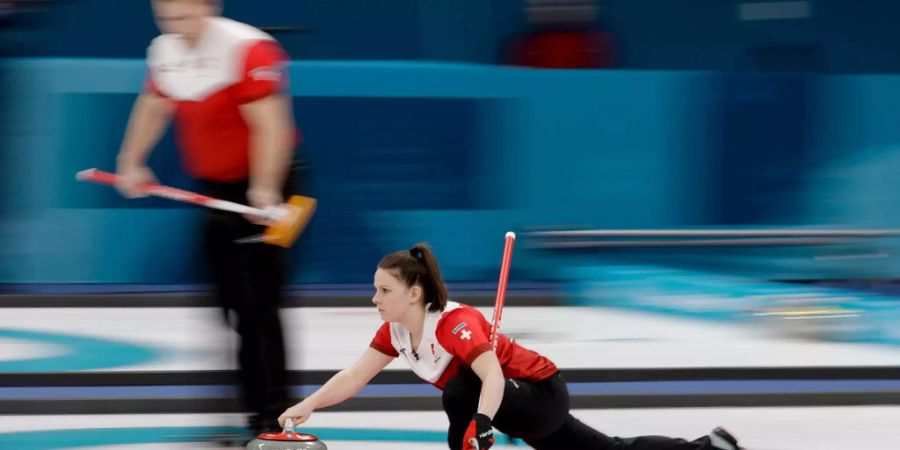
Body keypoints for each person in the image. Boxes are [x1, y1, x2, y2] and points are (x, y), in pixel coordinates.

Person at [278, 243, 744, 450]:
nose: (374, 299)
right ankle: (709, 448)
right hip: (511, 406)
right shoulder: (395, 332)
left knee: (459, 390)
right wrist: (310, 404)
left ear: (414, 294)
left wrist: (482, 424)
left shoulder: (456, 324)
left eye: (384, 291)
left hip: (537, 393)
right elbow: (355, 376)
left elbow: (493, 378)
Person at [114, 0, 300, 436]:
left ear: (208, 6)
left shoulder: (249, 48)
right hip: (214, 191)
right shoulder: (164, 50)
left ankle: (273, 419)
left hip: (269, 187)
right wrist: (131, 161)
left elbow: (271, 127)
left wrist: (265, 188)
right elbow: (153, 105)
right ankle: (250, 409)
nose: (176, 27)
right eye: (166, 17)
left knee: (258, 308)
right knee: (225, 304)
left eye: (185, 16)